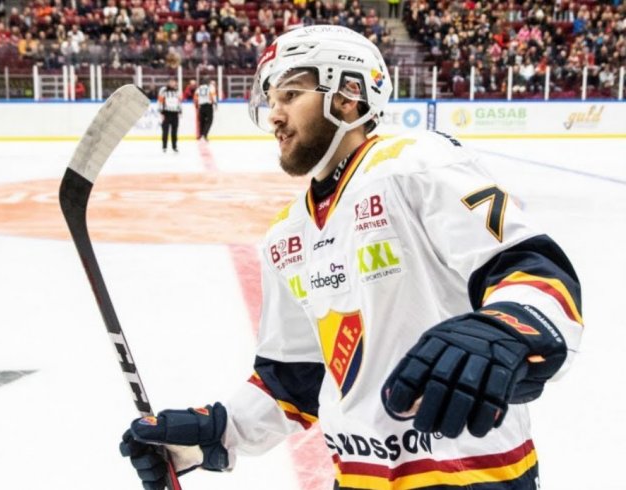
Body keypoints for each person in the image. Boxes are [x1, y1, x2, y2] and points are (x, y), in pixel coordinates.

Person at [120, 25, 582, 489]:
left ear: (348, 95)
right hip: (358, 478)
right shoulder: (287, 234)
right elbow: (294, 378)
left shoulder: (413, 163)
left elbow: (532, 267)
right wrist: (218, 432)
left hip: (473, 476)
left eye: (291, 94)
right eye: (271, 100)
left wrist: (505, 329)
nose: (275, 116)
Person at [158, 78, 182, 153]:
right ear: (168, 83)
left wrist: (180, 111)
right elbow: (160, 102)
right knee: (165, 131)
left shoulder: (177, 91)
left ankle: (174, 146)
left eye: (174, 82)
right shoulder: (163, 90)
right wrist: (161, 112)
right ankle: (164, 147)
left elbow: (179, 102)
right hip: (166, 113)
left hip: (175, 113)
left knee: (174, 131)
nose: (172, 83)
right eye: (171, 82)